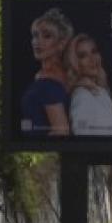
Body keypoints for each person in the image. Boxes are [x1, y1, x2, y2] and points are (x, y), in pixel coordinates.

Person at [20, 8, 75, 137]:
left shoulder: (48, 84)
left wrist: (42, 151)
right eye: (35, 35)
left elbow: (61, 131)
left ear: (61, 43)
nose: (37, 42)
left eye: (47, 36)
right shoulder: (53, 75)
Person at [65, 33, 112, 136]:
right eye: (83, 56)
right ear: (75, 63)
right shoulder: (82, 96)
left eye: (94, 51)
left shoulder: (99, 90)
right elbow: (84, 143)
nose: (92, 59)